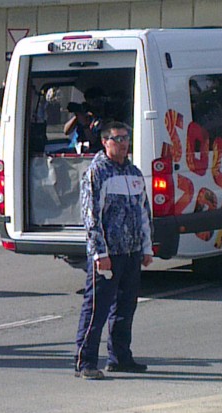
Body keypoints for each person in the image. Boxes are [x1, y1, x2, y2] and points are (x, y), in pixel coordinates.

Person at [75, 121, 153, 380]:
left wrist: (146, 247)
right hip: (108, 254)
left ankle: (120, 358)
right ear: (105, 142)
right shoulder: (98, 173)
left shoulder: (133, 172)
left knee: (125, 308)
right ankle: (85, 361)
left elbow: (143, 212)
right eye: (117, 139)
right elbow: (91, 217)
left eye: (126, 138)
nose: (123, 143)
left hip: (131, 252)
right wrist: (100, 254)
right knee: (96, 309)